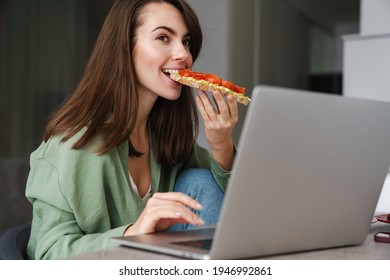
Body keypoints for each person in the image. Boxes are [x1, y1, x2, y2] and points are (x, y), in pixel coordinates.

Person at [25, 0, 238, 260]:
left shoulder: (166, 135)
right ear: (125, 47)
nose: (184, 54)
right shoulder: (69, 145)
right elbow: (46, 256)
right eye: (163, 37)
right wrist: (132, 233)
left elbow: (230, 204)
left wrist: (221, 144)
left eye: (187, 42)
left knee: (200, 181)